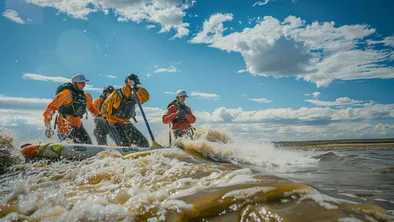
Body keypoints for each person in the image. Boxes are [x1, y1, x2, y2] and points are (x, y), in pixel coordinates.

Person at [43, 74, 105, 144]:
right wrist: (48, 126)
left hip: (78, 124)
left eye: (84, 82)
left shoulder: (84, 96)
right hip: (65, 124)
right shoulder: (66, 94)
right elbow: (51, 108)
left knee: (88, 144)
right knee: (69, 145)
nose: (83, 85)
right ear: (74, 83)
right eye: (81, 82)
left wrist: (100, 115)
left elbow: (91, 107)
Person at [102, 74, 150, 147]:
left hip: (125, 122)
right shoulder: (116, 94)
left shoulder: (134, 95)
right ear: (128, 81)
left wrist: (138, 89)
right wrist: (104, 115)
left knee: (144, 143)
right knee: (125, 144)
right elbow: (105, 105)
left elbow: (145, 98)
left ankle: (137, 153)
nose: (136, 85)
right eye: (135, 83)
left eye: (136, 84)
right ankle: (115, 150)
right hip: (114, 122)